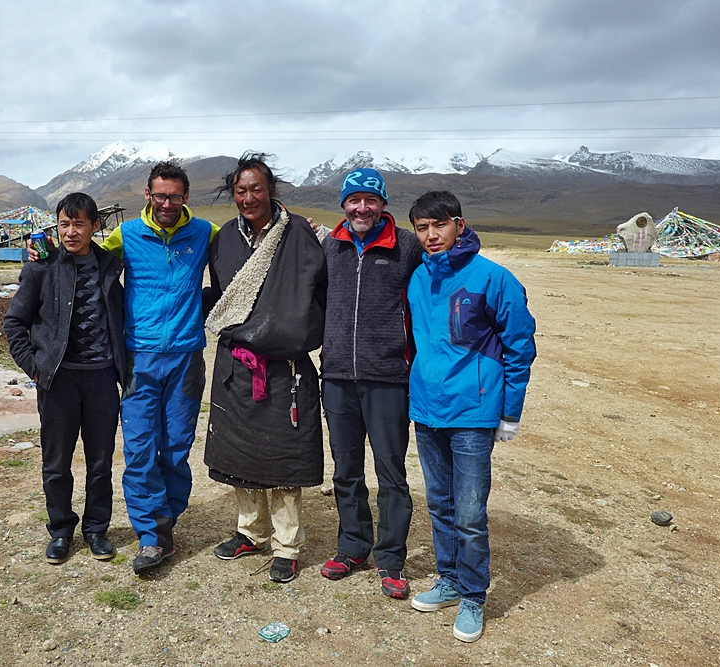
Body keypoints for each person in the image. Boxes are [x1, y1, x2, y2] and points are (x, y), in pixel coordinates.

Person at [27, 162, 217, 575]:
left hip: (186, 358)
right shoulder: (125, 235)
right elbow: (78, 251)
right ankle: (151, 536)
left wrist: (293, 230)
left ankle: (167, 522)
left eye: (175, 196)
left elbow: (246, 249)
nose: (167, 203)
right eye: (160, 195)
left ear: (186, 198)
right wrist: (40, 251)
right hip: (137, 360)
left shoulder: (204, 232)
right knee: (141, 449)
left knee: (177, 447)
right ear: (146, 196)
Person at [405, 191, 536, 642]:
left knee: (470, 512)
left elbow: (520, 346)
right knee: (439, 503)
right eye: (422, 228)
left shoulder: (494, 278)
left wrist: (510, 412)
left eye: (438, 225)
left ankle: (474, 596)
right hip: (427, 408)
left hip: (473, 414)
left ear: (459, 224)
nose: (431, 236)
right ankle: (449, 579)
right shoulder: (418, 279)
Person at [205, 153, 327, 584]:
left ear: (271, 190)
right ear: (232, 194)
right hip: (238, 364)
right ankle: (250, 532)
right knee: (241, 451)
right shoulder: (224, 240)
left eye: (256, 188)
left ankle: (287, 545)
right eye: (241, 190)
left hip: (285, 367)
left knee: (283, 457)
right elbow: (223, 296)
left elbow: (321, 291)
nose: (249, 197)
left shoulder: (299, 233)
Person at [318, 168, 423, 599]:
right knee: (345, 470)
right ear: (344, 204)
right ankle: (353, 545)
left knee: (391, 473)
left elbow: (451, 261)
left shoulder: (408, 245)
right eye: (354, 200)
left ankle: (392, 558)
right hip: (338, 375)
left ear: (383, 205)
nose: (362, 208)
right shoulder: (331, 245)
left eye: (371, 200)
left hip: (388, 378)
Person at [4, 192, 125, 565]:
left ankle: (96, 529)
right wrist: (35, 367)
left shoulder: (110, 266)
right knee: (57, 462)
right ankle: (60, 531)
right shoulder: (43, 267)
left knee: (100, 460)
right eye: (64, 224)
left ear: (94, 226)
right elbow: (14, 322)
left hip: (102, 379)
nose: (70, 232)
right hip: (57, 381)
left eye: (79, 224)